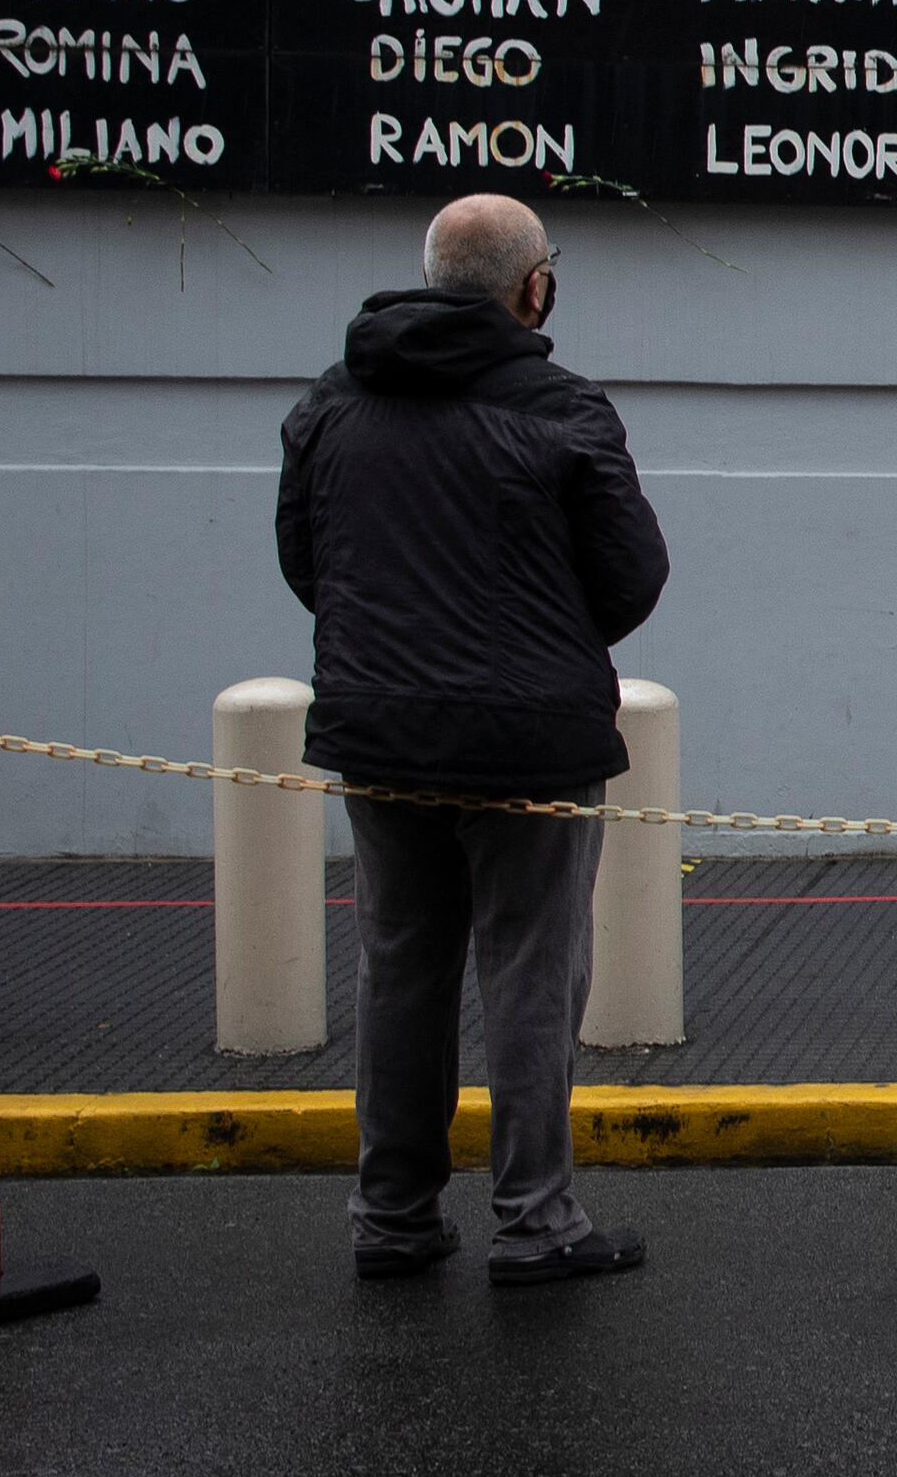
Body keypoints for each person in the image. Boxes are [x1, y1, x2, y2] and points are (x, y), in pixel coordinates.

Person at [279, 195, 670, 1281]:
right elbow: (631, 577)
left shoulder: (332, 399)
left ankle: (392, 1217)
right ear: (532, 285)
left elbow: (305, 563)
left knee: (399, 969)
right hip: (529, 740)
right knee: (531, 977)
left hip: (379, 728)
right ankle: (535, 1222)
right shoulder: (561, 407)